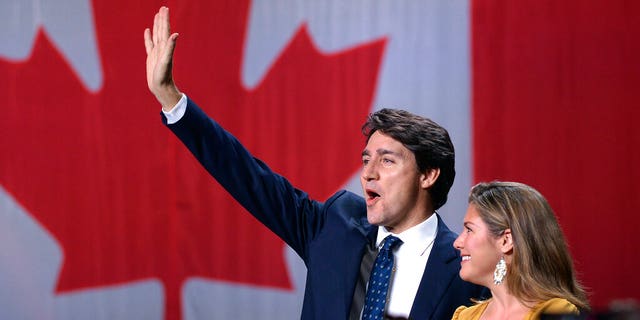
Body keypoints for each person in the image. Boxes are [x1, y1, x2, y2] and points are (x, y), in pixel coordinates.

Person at [144, 6, 487, 319]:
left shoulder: (465, 268)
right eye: (366, 159)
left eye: (387, 160)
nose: (368, 173)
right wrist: (172, 100)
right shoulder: (335, 225)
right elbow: (246, 176)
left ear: (428, 175)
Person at [452, 181, 590, 320]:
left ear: (506, 241)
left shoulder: (553, 312)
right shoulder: (464, 317)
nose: (457, 243)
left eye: (469, 229)